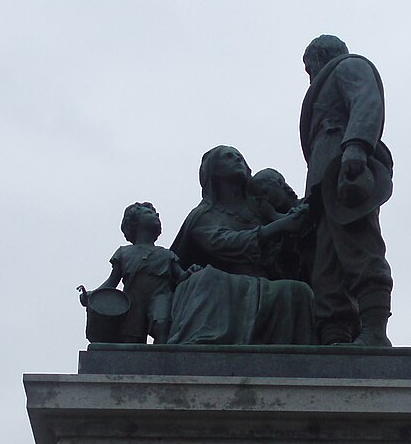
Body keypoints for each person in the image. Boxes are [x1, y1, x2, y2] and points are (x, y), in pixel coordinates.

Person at [166, 146, 316, 345]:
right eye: (228, 157)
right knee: (209, 280)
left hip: (267, 281)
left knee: (299, 291)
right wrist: (278, 227)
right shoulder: (204, 214)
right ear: (213, 171)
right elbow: (221, 243)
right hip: (224, 278)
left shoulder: (261, 207)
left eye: (240, 157)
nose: (237, 159)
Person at [300, 34, 395, 346]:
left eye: (309, 65)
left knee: (359, 248)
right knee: (326, 267)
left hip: (345, 174)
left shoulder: (348, 66)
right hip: (324, 184)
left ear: (320, 56)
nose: (309, 74)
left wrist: (356, 146)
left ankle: (375, 334)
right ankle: (334, 337)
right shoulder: (326, 82)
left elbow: (366, 101)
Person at [89, 202, 188, 344]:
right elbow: (112, 282)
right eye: (149, 213)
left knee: (162, 325)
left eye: (156, 213)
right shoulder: (124, 253)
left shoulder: (167, 254)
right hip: (133, 300)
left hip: (160, 296)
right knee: (132, 337)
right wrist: (93, 295)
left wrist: (192, 273)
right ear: (134, 223)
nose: (156, 216)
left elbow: (181, 277)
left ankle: (163, 361)